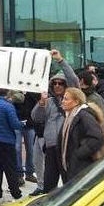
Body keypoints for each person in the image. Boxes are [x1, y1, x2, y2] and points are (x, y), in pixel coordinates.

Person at [30, 49, 78, 196]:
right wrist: (41, 104)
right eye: (55, 83)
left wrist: (60, 60)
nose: (57, 85)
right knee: (49, 183)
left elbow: (73, 79)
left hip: (67, 147)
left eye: (61, 83)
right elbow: (36, 118)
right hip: (51, 146)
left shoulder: (73, 101)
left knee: (69, 182)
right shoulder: (48, 101)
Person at [59, 87, 104, 183]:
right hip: (71, 167)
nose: (62, 101)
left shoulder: (84, 116)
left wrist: (78, 154)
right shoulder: (70, 116)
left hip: (80, 168)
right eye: (63, 98)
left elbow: (96, 137)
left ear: (76, 101)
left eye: (66, 99)